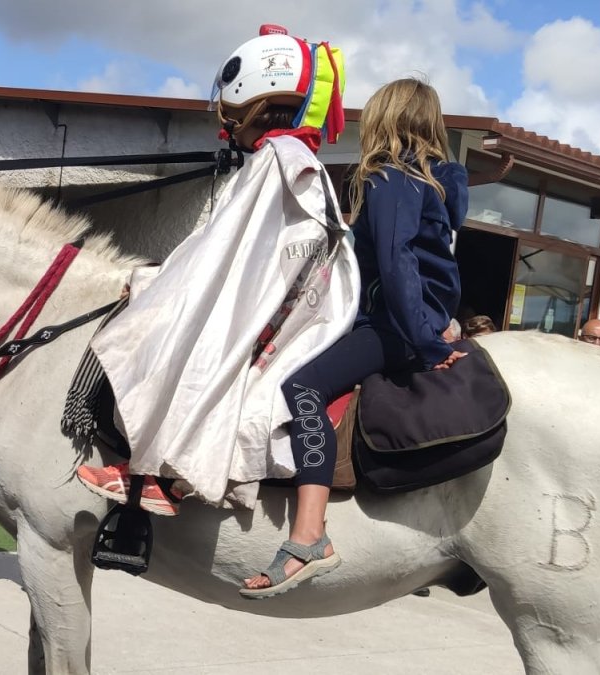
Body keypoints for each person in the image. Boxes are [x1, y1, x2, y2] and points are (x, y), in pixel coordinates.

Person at [78, 25, 354, 515]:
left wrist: (150, 282)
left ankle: (156, 476)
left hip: (274, 313)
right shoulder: (296, 157)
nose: (227, 125)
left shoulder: (275, 159)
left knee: (176, 342)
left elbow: (219, 254)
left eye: (230, 111)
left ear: (249, 100)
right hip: (297, 309)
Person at [241, 78, 468, 597]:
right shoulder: (440, 182)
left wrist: (428, 344)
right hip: (417, 321)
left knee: (299, 388)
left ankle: (309, 535)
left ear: (386, 117)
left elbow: (396, 263)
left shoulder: (389, 177)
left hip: (392, 325)